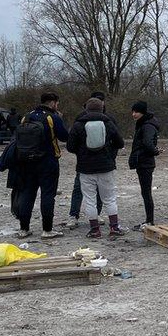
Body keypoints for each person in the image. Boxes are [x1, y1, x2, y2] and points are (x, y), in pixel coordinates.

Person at [66, 97, 125, 239]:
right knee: (110, 199)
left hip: (85, 168)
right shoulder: (108, 123)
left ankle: (94, 230)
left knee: (89, 200)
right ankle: (114, 228)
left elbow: (70, 147)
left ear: (86, 109)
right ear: (102, 108)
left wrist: (81, 152)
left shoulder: (78, 124)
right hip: (106, 167)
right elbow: (120, 143)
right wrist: (109, 152)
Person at [14, 92, 69, 239]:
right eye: (57, 103)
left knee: (27, 194)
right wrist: (61, 120)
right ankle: (47, 230)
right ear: (53, 103)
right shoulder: (53, 117)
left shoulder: (26, 116)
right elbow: (65, 136)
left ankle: (23, 229)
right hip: (48, 161)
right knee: (47, 195)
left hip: (26, 161)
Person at [66, 92, 106, 228]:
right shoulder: (103, 119)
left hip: (85, 162)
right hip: (95, 162)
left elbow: (71, 144)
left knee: (82, 189)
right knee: (81, 189)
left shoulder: (106, 119)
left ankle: (79, 215)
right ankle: (75, 214)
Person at [128, 100, 160, 231]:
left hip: (145, 162)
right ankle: (148, 220)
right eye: (133, 112)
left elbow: (147, 142)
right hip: (143, 162)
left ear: (143, 112)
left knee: (146, 192)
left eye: (136, 112)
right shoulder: (143, 123)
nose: (134, 114)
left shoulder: (147, 125)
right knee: (145, 192)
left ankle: (149, 221)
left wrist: (155, 151)